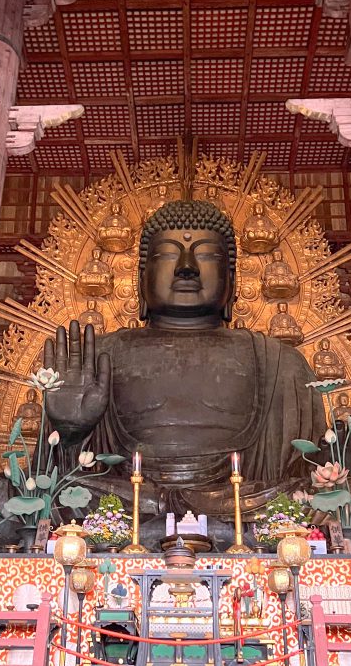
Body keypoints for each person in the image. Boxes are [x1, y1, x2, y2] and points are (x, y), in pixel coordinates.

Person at [43, 199, 325, 514]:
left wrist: (337, 465)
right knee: (7, 493)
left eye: (206, 255)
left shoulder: (280, 363)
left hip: (245, 505)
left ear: (231, 279)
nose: (186, 268)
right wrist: (69, 433)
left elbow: (304, 474)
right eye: (167, 255)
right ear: (140, 278)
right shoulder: (98, 357)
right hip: (125, 505)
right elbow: (53, 476)